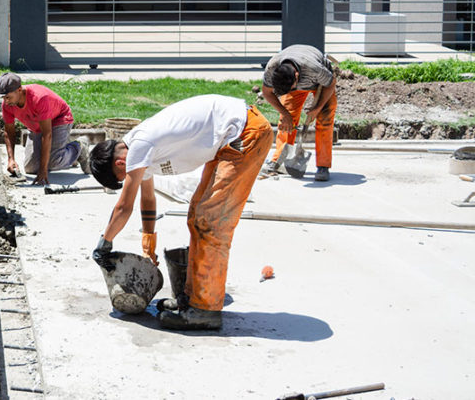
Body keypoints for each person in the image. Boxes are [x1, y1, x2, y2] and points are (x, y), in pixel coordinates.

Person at [87, 94, 271, 331]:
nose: (128, 178)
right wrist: (148, 243)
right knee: (197, 217)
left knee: (210, 222)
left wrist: (105, 242)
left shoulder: (139, 146)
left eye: (122, 178)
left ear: (120, 165)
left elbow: (124, 206)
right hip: (232, 138)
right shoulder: (139, 148)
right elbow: (148, 199)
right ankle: (192, 300)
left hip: (246, 134)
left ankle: (205, 310)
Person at [0, 72, 89, 186]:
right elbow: (9, 131)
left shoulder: (39, 98)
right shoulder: (7, 104)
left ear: (19, 90)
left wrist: (43, 170)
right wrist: (11, 159)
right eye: (3, 97)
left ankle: (80, 147)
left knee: (53, 162)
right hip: (36, 125)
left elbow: (47, 135)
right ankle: (61, 152)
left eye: (8, 97)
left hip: (58, 119)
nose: (6, 101)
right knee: (30, 168)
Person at [260, 44, 337, 181]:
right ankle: (278, 159)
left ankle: (323, 166)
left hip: (322, 84)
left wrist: (317, 108)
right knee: (286, 121)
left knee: (325, 119)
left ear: (296, 76)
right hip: (296, 82)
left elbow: (330, 84)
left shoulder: (314, 68)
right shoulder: (272, 68)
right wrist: (285, 114)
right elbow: (267, 92)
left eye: (291, 88)